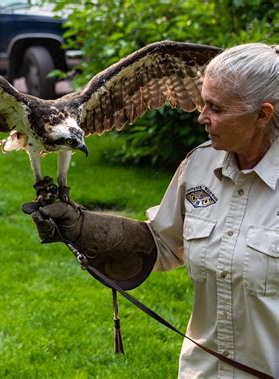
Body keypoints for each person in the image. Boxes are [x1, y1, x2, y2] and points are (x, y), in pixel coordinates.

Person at [25, 43, 278, 378]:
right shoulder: (200, 166)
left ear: (262, 114)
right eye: (203, 102)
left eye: (216, 108)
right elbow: (160, 244)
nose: (202, 116)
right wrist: (83, 228)